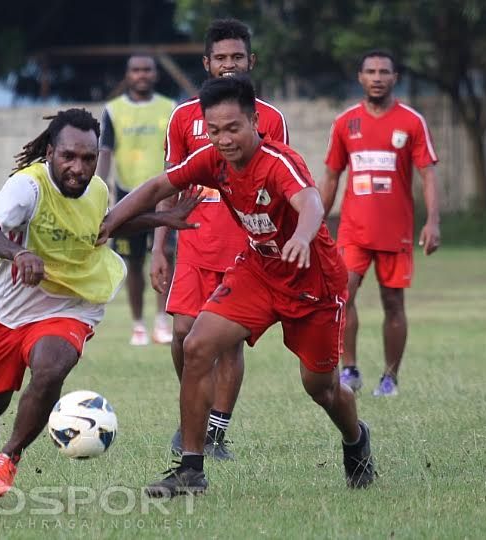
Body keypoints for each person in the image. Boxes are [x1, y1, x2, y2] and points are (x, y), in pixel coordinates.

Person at [99, 75, 375, 498]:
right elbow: (158, 186)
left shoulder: (278, 161)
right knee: (195, 345)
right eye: (214, 130)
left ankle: (355, 439)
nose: (223, 139)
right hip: (259, 272)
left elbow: (311, 202)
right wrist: (107, 223)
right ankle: (191, 470)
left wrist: (302, 237)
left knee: (319, 387)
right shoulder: (212, 160)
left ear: (254, 123)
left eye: (233, 128)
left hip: (313, 284)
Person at [0, 109, 199, 505]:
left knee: (52, 365)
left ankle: (9, 457)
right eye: (69, 157)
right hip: (8, 309)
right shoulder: (28, 187)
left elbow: (102, 227)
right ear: (49, 152)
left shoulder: (96, 191)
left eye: (88, 159)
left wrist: (160, 217)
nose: (79, 168)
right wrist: (17, 253)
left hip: (73, 303)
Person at [154, 18, 289, 460]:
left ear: (251, 61)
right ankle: (192, 412)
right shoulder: (182, 117)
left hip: (242, 247)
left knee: (228, 342)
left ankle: (214, 433)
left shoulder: (269, 118)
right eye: (221, 58)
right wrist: (158, 246)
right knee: (182, 333)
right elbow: (169, 185)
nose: (229, 65)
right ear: (207, 62)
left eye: (237, 57)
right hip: (192, 243)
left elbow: (281, 187)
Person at [319, 50, 441, 397]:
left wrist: (433, 222)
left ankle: (390, 378)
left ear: (394, 78)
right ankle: (350, 369)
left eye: (383, 72)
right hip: (353, 230)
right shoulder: (345, 122)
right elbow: (330, 177)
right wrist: (315, 221)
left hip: (396, 232)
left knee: (393, 304)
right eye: (370, 71)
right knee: (343, 296)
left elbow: (428, 175)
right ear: (360, 77)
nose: (377, 77)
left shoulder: (411, 122)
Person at [97, 55, 177, 346]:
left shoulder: (170, 107)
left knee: (165, 256)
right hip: (126, 196)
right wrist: (99, 187)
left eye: (147, 69)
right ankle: (138, 325)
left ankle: (161, 323)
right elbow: (104, 150)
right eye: (135, 70)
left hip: (163, 194)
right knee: (132, 262)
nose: (141, 74)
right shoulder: (113, 110)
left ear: (155, 74)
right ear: (127, 75)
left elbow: (177, 151)